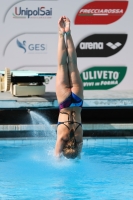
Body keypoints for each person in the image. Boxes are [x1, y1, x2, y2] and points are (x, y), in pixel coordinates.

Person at [55, 16, 83, 159]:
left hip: (77, 101)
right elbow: (56, 156)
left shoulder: (79, 139)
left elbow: (78, 156)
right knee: (61, 65)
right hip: (65, 103)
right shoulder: (62, 138)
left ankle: (68, 32)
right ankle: (61, 33)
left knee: (72, 64)